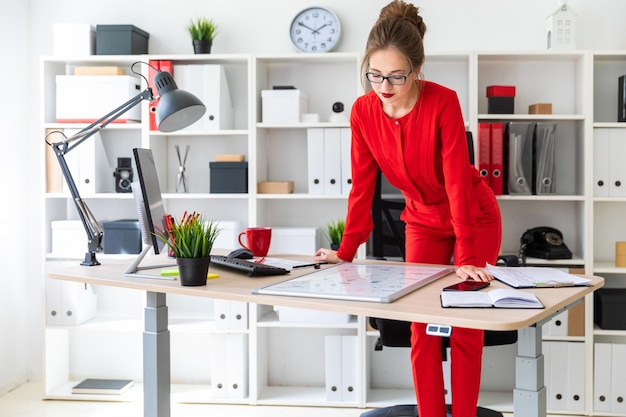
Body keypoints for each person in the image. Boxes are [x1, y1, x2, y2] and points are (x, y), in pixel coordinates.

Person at [313, 1, 502, 416]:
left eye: (396, 76)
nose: (384, 85)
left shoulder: (443, 102)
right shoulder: (363, 112)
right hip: (421, 219)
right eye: (375, 75)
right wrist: (346, 251)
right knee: (422, 327)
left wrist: (466, 257)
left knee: (466, 325)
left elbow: (456, 180)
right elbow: (362, 186)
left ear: (417, 71)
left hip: (473, 215)